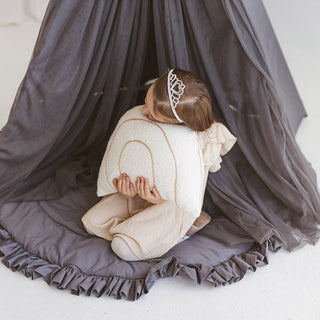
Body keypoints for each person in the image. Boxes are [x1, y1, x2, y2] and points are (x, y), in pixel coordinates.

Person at [81, 68, 237, 261]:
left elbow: (187, 189)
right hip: (139, 192)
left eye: (152, 114)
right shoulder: (146, 121)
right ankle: (137, 226)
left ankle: (180, 232)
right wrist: (126, 190)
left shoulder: (199, 143)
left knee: (122, 248)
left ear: (174, 122)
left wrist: (159, 200)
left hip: (169, 206)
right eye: (146, 102)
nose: (143, 111)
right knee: (91, 222)